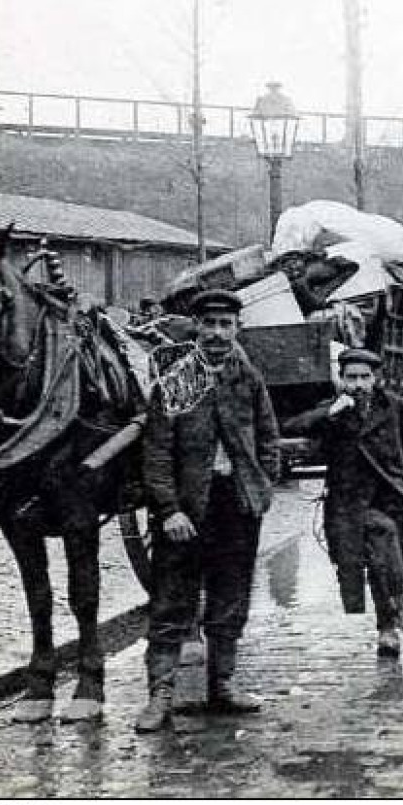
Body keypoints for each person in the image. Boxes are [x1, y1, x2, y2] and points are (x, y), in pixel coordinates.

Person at [136, 289, 279, 732]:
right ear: (196, 327)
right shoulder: (176, 381)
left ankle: (223, 686)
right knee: (171, 602)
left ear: (237, 329)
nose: (217, 334)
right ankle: (159, 696)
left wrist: (262, 488)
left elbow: (268, 438)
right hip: (186, 513)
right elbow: (156, 454)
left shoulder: (248, 378)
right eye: (210, 324)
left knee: (231, 597)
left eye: (226, 325)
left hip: (236, 505)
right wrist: (169, 510)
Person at [283, 348, 403, 655]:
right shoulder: (333, 411)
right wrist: (329, 413)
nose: (358, 384)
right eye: (351, 378)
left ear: (375, 379)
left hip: (390, 495)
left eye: (364, 377)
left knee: (381, 551)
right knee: (376, 545)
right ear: (340, 380)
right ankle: (401, 612)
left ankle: (388, 628)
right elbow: (292, 428)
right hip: (348, 501)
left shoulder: (394, 407)